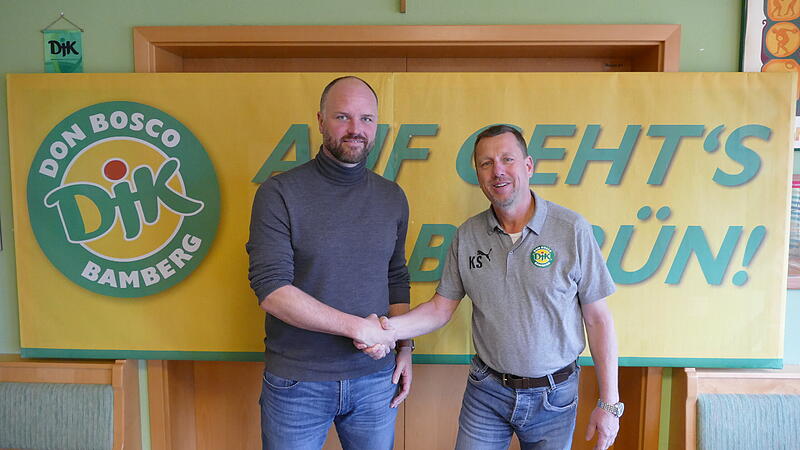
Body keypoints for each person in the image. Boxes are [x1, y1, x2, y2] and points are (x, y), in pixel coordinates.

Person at [359, 125, 622, 450]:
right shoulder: (468, 235)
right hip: (487, 391)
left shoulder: (571, 230)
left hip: (555, 396)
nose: (497, 170)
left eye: (507, 159)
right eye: (486, 163)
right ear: (478, 174)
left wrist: (610, 405)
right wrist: (387, 330)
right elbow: (440, 308)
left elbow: (599, 320)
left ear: (528, 166)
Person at [247, 76, 414, 450]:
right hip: (298, 384)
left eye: (367, 119)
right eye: (343, 117)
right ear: (320, 121)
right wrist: (358, 328)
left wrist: (404, 347)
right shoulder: (279, 193)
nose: (356, 129)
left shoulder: (392, 197)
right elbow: (272, 290)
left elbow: (396, 276)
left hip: (376, 380)